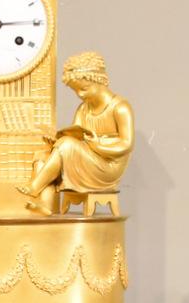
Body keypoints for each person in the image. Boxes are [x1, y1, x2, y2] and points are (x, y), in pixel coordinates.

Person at [19, 51, 134, 214]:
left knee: (66, 146)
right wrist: (55, 141)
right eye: (76, 91)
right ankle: (45, 205)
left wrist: (98, 146)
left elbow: (126, 144)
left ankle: (35, 186)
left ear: (99, 80)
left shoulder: (120, 108)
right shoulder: (83, 109)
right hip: (86, 157)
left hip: (107, 166)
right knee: (43, 156)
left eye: (84, 89)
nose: (80, 94)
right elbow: (76, 137)